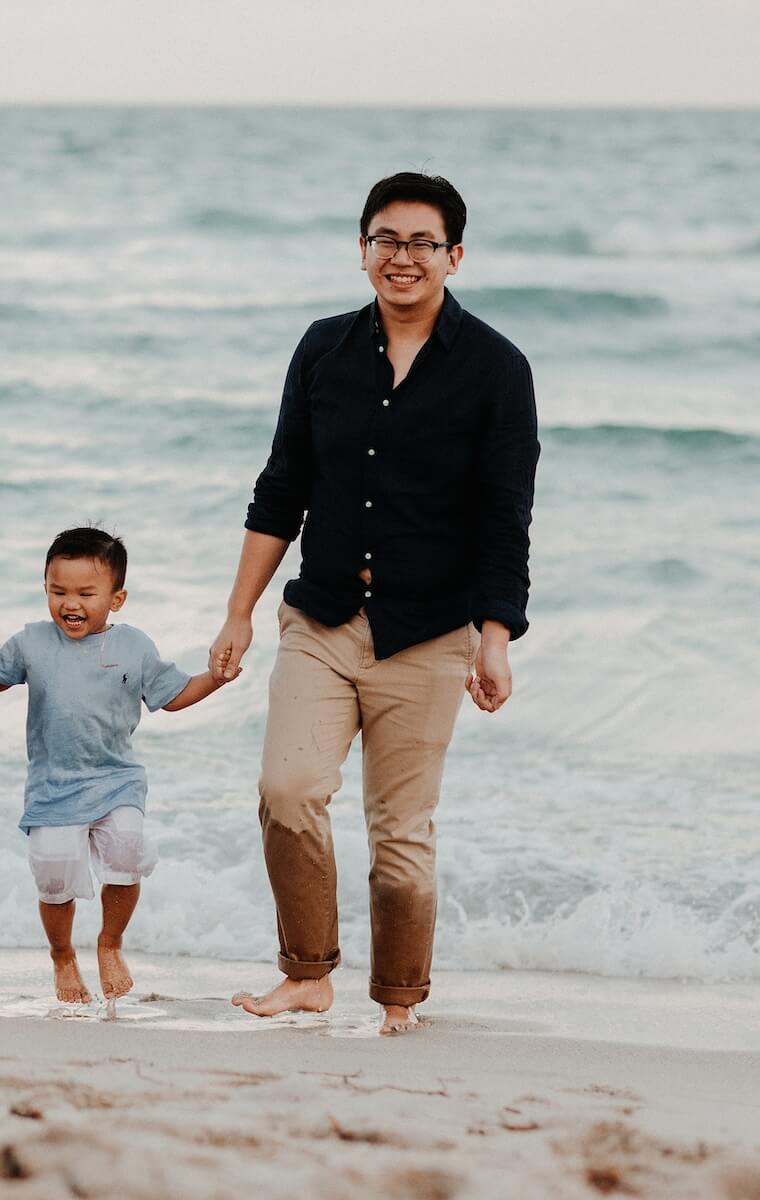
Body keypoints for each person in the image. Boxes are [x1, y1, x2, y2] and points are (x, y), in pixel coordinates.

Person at [210, 172, 540, 1034]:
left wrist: (496, 637)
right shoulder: (321, 349)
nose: (402, 258)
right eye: (385, 241)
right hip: (319, 617)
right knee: (287, 788)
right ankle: (308, 973)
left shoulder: (498, 369)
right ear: (362, 251)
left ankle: (398, 999)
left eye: (422, 243)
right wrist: (239, 612)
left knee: (400, 832)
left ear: (454, 257)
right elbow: (280, 491)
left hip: (429, 636)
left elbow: (506, 518)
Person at [0, 527, 231, 1005]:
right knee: (53, 875)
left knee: (129, 852)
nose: (70, 603)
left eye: (86, 593)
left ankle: (110, 942)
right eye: (58, 591)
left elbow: (172, 697)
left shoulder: (132, 646)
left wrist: (215, 678)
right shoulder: (31, 642)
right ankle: (62, 955)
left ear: (117, 598)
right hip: (54, 786)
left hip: (116, 780)